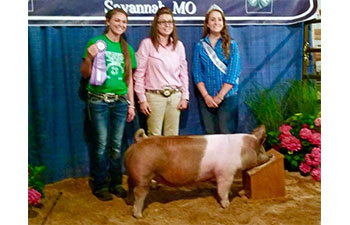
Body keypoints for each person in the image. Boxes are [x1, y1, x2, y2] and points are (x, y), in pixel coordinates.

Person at [80, 8, 137, 201]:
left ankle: (116, 183)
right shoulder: (95, 44)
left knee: (116, 145)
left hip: (120, 101)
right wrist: (89, 57)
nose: (121, 24)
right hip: (98, 100)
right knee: (102, 144)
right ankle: (100, 184)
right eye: (117, 21)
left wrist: (131, 104)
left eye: (124, 22)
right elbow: (85, 74)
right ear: (108, 22)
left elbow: (129, 79)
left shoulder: (127, 49)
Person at [133, 7, 189, 136]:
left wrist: (185, 97)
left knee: (173, 138)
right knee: (154, 137)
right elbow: (139, 75)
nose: (167, 25)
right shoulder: (147, 44)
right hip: (154, 97)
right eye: (163, 22)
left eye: (170, 22)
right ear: (156, 25)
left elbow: (183, 73)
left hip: (175, 96)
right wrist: (142, 99)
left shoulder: (179, 46)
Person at [192, 4, 241, 134]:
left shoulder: (232, 44)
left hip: (228, 97)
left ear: (223, 23)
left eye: (219, 19)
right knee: (210, 135)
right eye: (213, 19)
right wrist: (206, 96)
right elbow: (197, 74)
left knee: (226, 134)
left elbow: (233, 73)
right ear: (207, 23)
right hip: (206, 98)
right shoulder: (200, 46)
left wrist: (219, 97)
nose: (216, 22)